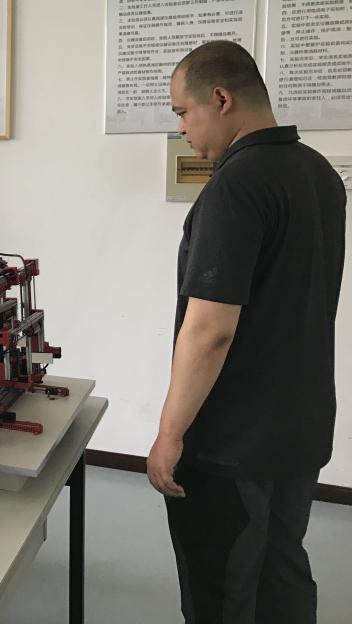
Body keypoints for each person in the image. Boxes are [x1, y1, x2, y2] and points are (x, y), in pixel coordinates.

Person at [147, 40, 346, 623]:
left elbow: (210, 329)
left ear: (220, 99)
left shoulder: (235, 185)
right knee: (281, 571)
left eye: (183, 112)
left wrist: (169, 433)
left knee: (221, 588)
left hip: (231, 442)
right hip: (300, 426)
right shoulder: (318, 172)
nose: (182, 128)